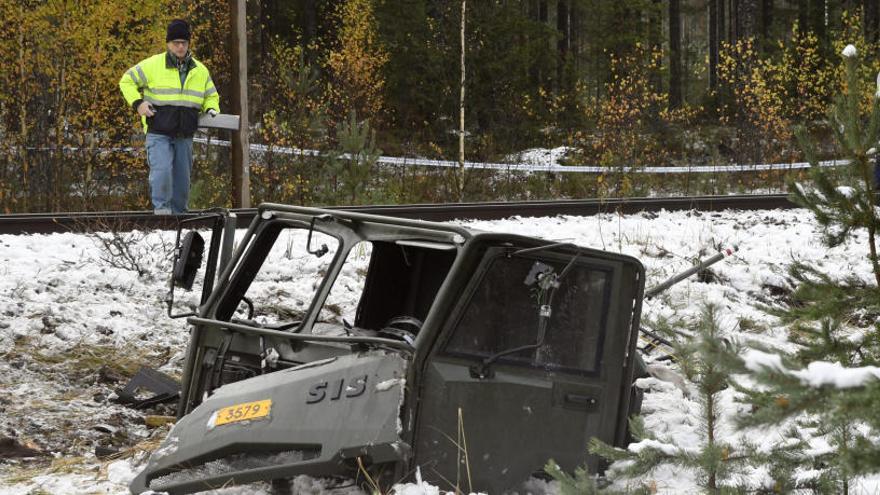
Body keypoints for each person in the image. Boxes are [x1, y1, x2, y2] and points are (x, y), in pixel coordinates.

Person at [119, 19, 219, 214]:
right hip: (159, 131)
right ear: (168, 44)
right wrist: (138, 103)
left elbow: (211, 95)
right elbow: (126, 81)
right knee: (162, 173)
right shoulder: (152, 65)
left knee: (182, 182)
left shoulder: (200, 70)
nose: (180, 46)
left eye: (184, 42)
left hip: (185, 134)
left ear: (189, 43)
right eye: (176, 42)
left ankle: (179, 218)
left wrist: (211, 108)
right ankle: (162, 216)